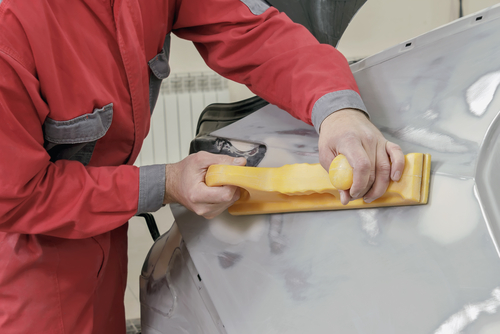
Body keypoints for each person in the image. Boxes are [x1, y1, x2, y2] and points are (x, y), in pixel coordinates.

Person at [0, 0, 404, 333]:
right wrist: (165, 184)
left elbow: (249, 31)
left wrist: (337, 107)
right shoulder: (11, 25)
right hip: (22, 271)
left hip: (103, 239)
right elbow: (14, 195)